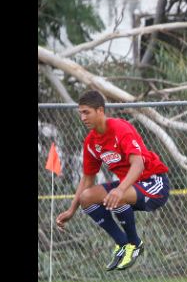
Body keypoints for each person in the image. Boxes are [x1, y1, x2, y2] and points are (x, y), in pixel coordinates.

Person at [56, 90, 170, 271]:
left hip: (154, 182)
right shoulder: (91, 142)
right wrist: (72, 210)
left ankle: (134, 243)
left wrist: (119, 190)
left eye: (87, 112)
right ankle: (123, 243)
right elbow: (86, 180)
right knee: (87, 197)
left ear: (100, 111)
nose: (83, 117)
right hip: (130, 186)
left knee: (116, 196)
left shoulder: (120, 129)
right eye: (80, 113)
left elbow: (138, 164)